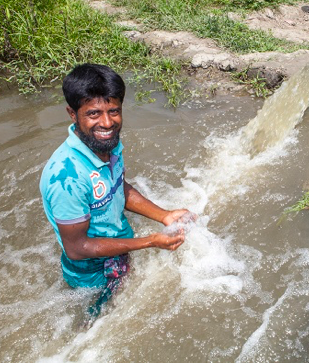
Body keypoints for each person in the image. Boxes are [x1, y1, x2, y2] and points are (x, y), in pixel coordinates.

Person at [40, 63, 194, 316]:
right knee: (97, 322)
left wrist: (164, 215)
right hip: (92, 274)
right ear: (72, 113)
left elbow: (117, 188)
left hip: (119, 248)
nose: (107, 123)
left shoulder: (106, 145)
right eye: (94, 114)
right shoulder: (66, 177)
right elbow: (77, 248)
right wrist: (148, 242)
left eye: (114, 111)